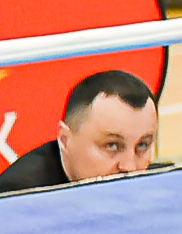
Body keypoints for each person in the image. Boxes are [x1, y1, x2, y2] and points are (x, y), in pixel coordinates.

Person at [0, 70, 157, 194]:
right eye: (112, 145)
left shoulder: (158, 188)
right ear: (65, 140)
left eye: (142, 145)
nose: (130, 167)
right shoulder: (18, 195)